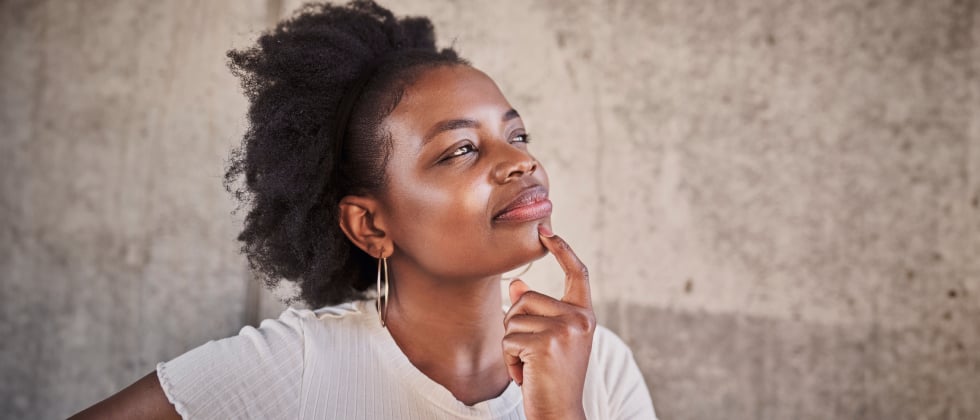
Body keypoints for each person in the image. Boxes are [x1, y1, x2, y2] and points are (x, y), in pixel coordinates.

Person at [71, 1, 656, 419]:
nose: (519, 162)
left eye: (518, 135)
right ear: (371, 225)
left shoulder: (597, 363)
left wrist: (560, 411)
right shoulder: (298, 368)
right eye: (461, 149)